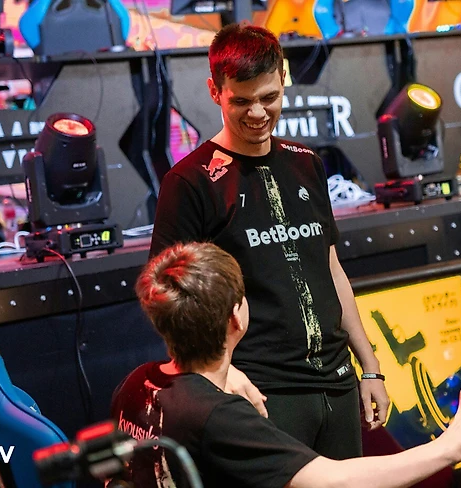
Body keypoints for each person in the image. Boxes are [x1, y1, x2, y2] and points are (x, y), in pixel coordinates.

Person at [147, 22, 389, 459]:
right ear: (215, 91)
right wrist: (220, 374)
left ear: (284, 80)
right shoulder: (189, 181)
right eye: (241, 101)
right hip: (260, 391)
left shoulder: (307, 162)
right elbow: (167, 299)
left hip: (338, 383)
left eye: (269, 98)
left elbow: (330, 268)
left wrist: (369, 366)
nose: (257, 113)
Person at [110, 242, 461, 488]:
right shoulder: (218, 415)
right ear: (237, 317)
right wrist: (449, 447)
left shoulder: (136, 384)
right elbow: (333, 481)